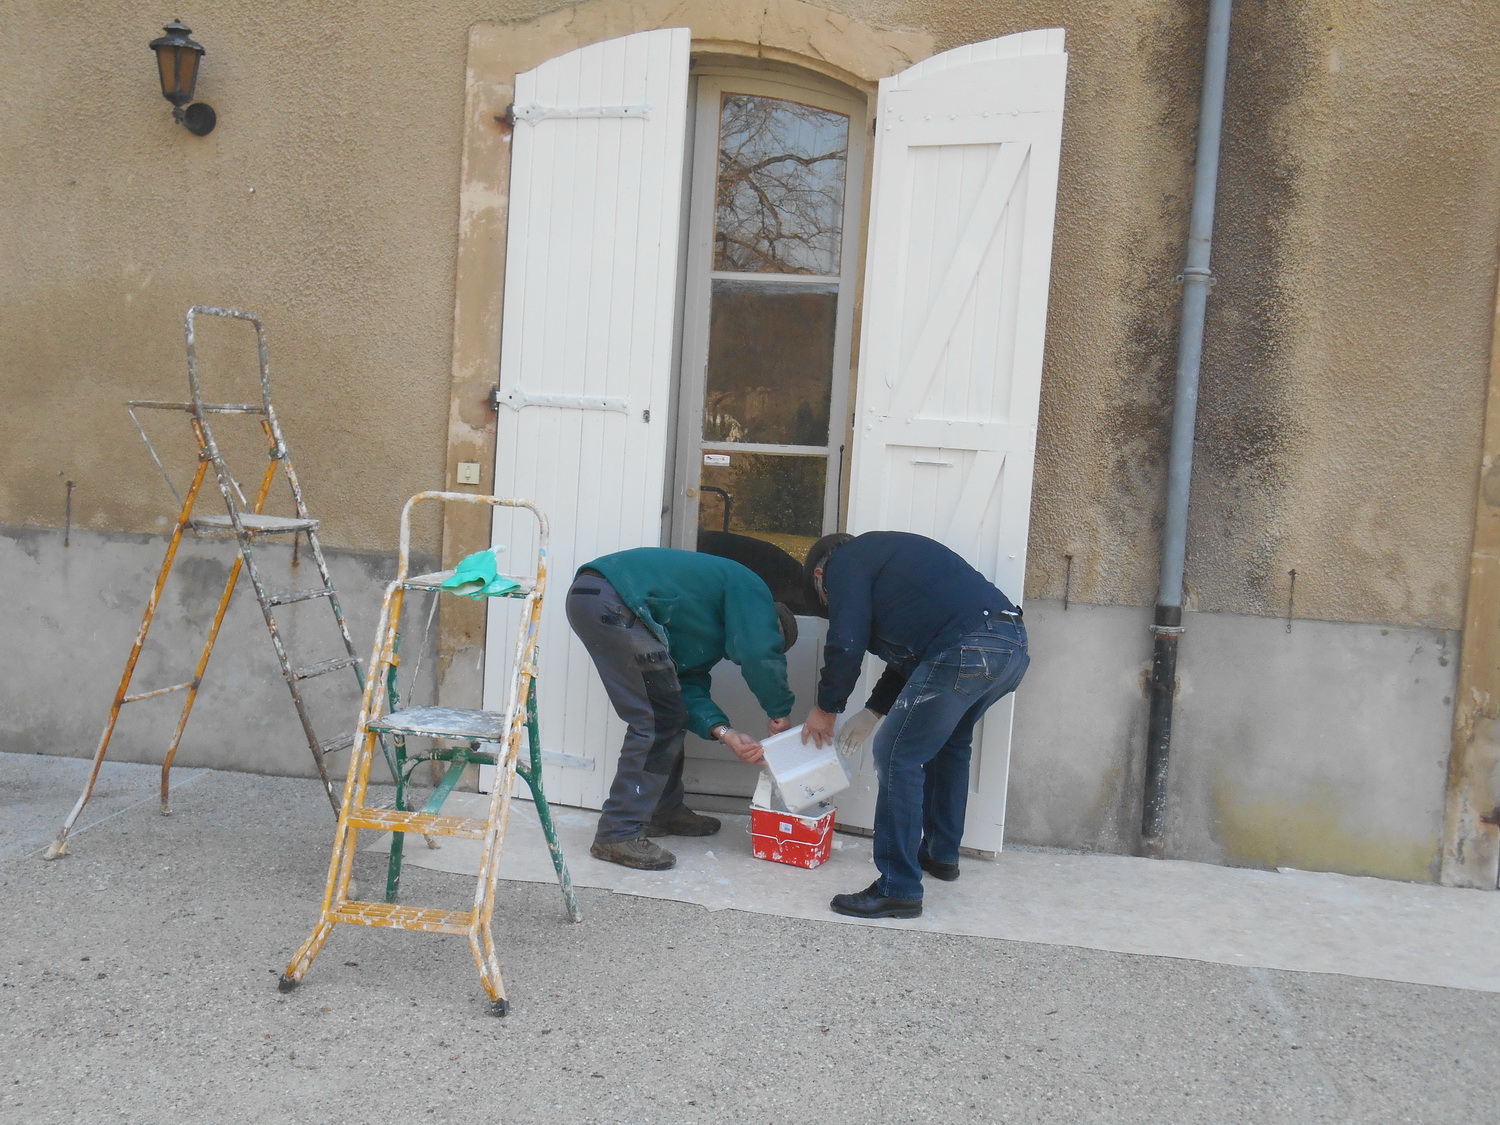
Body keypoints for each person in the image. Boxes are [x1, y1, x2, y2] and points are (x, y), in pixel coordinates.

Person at [801, 531, 1029, 918]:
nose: (828, 601)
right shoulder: (887, 564)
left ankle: (898, 887)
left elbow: (847, 639)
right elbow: (917, 658)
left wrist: (826, 707)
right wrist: (873, 710)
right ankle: (941, 855)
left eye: (823, 594)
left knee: (896, 755)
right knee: (949, 744)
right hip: (1009, 646)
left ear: (821, 574)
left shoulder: (844, 563)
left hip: (967, 647)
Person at [566, 547, 797, 871]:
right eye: (772, 636)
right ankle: (616, 832)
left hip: (601, 597)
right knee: (656, 718)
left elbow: (684, 690)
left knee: (667, 710)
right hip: (612, 597)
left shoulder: (702, 630)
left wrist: (726, 733)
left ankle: (663, 812)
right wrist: (779, 710)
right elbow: (760, 653)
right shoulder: (752, 589)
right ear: (770, 621)